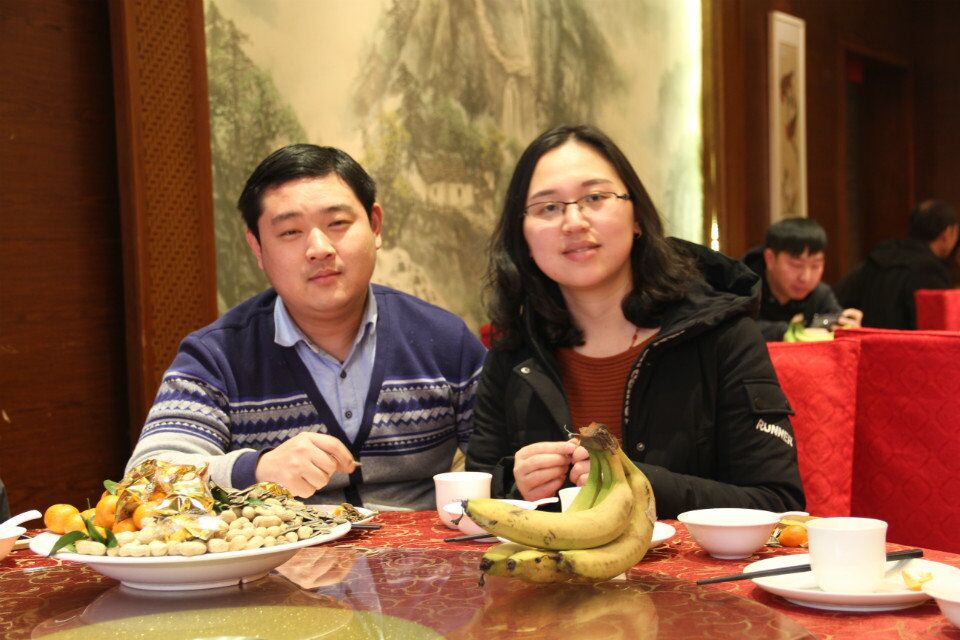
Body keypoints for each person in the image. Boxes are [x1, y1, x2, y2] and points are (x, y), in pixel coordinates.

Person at [465, 124, 804, 519]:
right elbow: (476, 496)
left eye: (594, 197)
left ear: (638, 216)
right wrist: (514, 484)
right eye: (548, 208)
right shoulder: (516, 348)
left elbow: (778, 504)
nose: (573, 221)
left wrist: (644, 485)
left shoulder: (721, 333)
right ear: (522, 237)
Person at [127, 144, 487, 510]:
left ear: (375, 225)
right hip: (282, 544)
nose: (319, 248)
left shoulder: (444, 340)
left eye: (337, 223)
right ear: (257, 248)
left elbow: (501, 464)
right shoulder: (217, 356)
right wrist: (257, 469)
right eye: (290, 232)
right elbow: (144, 482)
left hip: (422, 545)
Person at [836, 200, 959, 329]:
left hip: (866, 339)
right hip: (905, 341)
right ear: (947, 233)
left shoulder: (880, 257)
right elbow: (937, 329)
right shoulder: (931, 271)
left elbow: (839, 299)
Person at [742, 217, 862, 341]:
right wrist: (789, 332)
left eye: (815, 266)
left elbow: (834, 320)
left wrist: (847, 327)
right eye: (796, 265)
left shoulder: (820, 294)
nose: (805, 277)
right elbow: (736, 330)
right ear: (770, 259)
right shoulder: (741, 286)